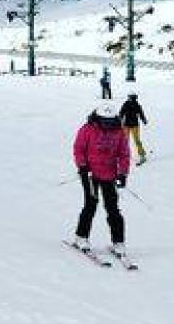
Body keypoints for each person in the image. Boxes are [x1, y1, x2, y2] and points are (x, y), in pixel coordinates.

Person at [71, 103, 131, 258]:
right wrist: (82, 166)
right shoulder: (87, 129)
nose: (108, 124)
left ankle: (118, 242)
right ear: (98, 118)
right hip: (90, 174)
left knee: (113, 209)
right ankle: (81, 237)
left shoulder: (119, 132)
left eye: (111, 121)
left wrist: (123, 174)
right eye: (105, 121)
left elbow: (124, 154)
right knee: (91, 205)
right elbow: (79, 148)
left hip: (109, 175)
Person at [120, 93, 149, 165]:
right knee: (125, 140)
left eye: (131, 98)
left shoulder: (137, 105)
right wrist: (118, 121)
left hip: (134, 125)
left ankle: (142, 154)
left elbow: (141, 113)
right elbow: (121, 113)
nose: (130, 99)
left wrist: (144, 120)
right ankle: (125, 154)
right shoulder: (126, 104)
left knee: (136, 140)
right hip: (126, 125)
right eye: (130, 98)